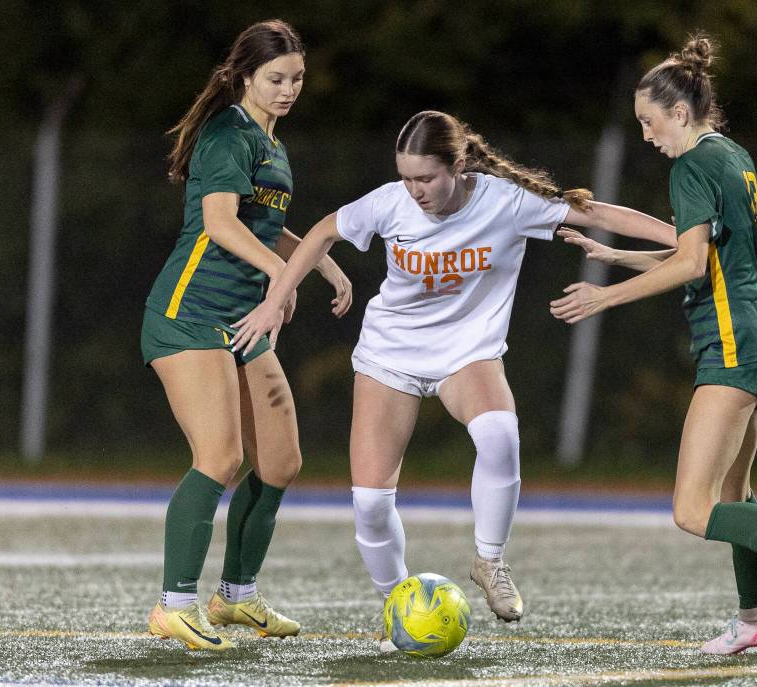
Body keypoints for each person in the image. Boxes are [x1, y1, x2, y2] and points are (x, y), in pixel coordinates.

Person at [229, 110, 677, 649]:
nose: (414, 190)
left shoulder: (503, 201)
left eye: (426, 178)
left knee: (499, 435)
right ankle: (397, 601)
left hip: (469, 354)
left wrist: (681, 237)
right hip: (390, 356)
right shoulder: (390, 203)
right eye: (406, 178)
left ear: (458, 166)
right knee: (370, 504)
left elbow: (595, 212)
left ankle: (489, 561)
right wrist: (275, 301)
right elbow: (323, 230)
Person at [550, 35, 757, 655]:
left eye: (650, 123)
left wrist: (603, 296)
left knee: (692, 509)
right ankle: (755, 619)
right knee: (734, 494)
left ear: (679, 113)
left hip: (730, 345)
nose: (647, 136)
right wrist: (616, 254)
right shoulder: (732, 154)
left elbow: (692, 265)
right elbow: (706, 256)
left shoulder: (690, 165)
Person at [141, 19, 352, 651]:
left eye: (297, 80)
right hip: (189, 313)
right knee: (220, 457)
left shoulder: (271, 143)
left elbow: (265, 226)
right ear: (243, 77)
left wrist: (323, 263)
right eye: (276, 79)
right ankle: (172, 605)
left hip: (241, 323)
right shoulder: (226, 133)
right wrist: (284, 275)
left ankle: (234, 597)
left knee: (281, 461)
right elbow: (221, 223)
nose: (289, 90)